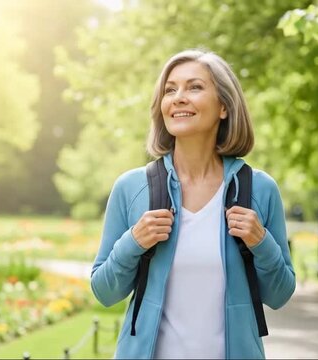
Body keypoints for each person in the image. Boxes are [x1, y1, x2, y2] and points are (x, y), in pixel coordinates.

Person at [91, 49, 296, 359]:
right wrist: (133, 241)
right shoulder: (132, 188)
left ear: (224, 107)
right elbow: (105, 292)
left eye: (194, 87)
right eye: (170, 90)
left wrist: (261, 242)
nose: (179, 97)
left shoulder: (259, 189)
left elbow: (279, 294)